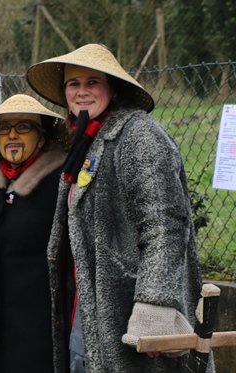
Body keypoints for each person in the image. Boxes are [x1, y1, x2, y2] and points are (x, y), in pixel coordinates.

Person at [26, 44, 207, 372]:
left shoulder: (139, 135)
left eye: (92, 82)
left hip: (130, 311)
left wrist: (155, 305)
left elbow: (165, 223)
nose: (82, 92)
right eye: (73, 84)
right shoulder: (86, 142)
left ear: (112, 87)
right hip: (89, 309)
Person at [0, 94, 67, 373]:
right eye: (4, 129)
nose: (12, 135)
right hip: (0, 324)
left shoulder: (60, 184)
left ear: (42, 137)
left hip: (42, 327)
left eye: (23, 127)